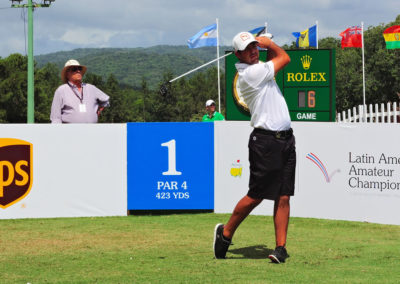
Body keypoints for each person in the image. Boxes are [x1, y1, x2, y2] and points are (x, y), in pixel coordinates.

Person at [213, 31, 295, 263]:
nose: (252, 50)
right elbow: (284, 58)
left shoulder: (259, 67)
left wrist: (265, 46)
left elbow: (273, 59)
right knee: (256, 196)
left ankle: (280, 248)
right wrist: (270, 43)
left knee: (284, 196)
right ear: (238, 54)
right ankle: (226, 233)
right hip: (265, 142)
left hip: (286, 139)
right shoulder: (250, 73)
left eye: (254, 46)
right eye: (247, 48)